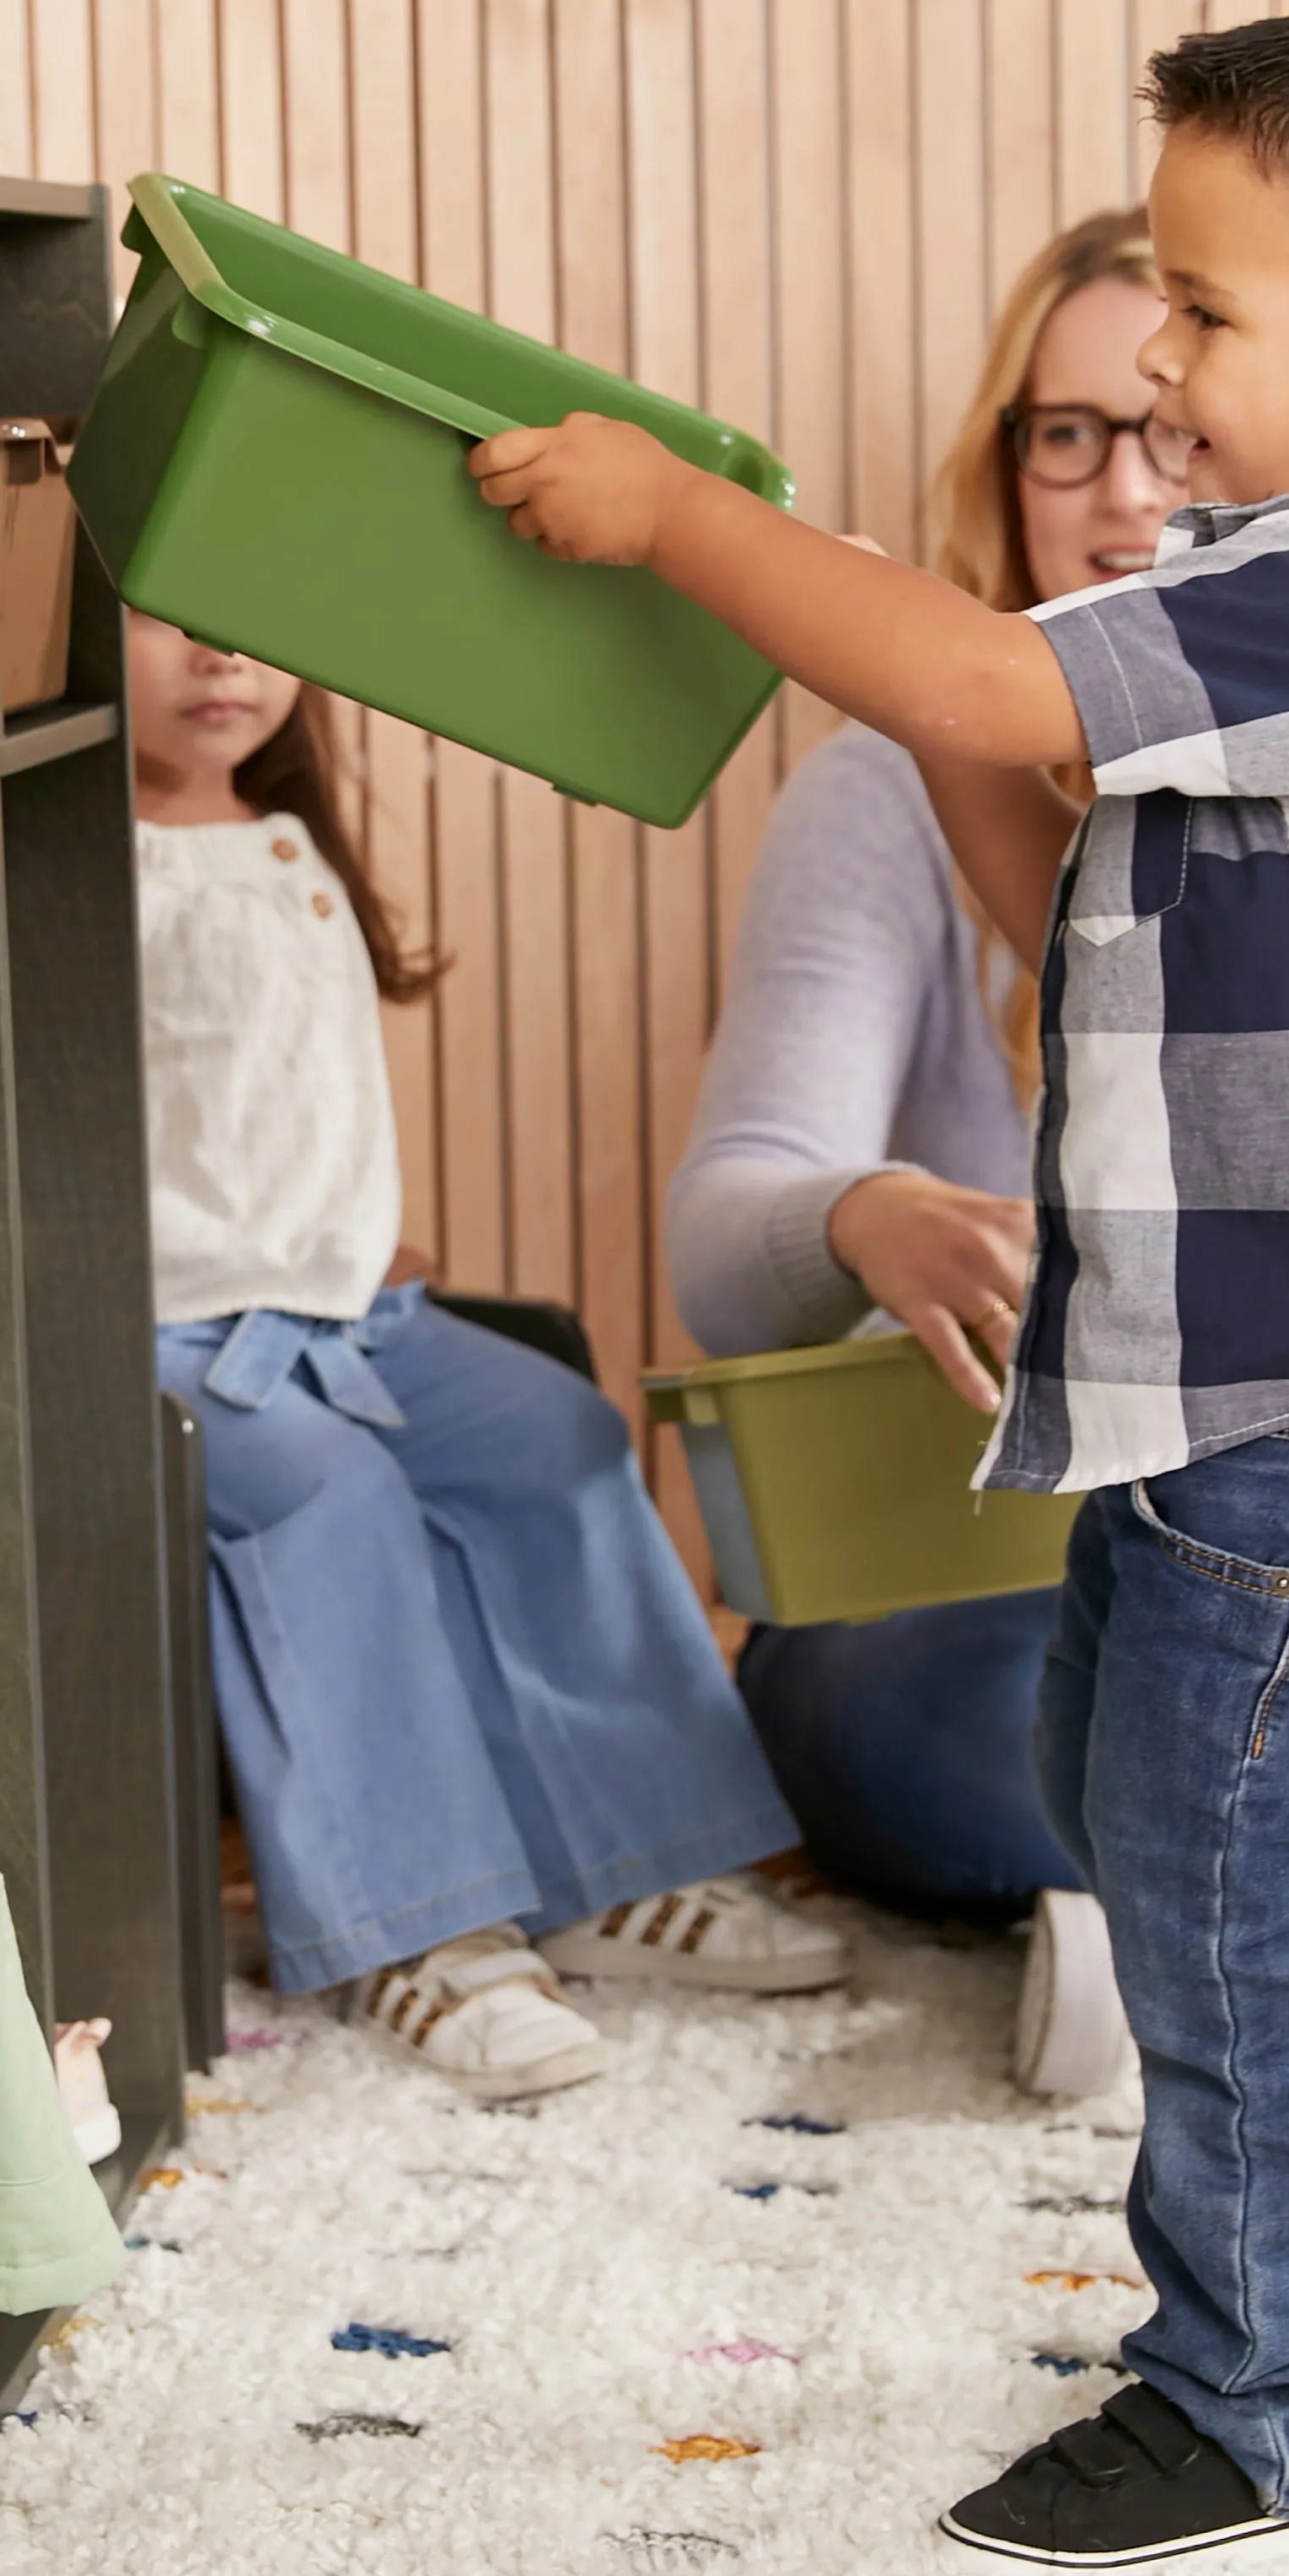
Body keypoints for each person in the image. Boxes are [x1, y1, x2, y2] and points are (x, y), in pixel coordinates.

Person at [470, 0, 1289, 2572]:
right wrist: (913, 727)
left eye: (1211, 330)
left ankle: (1269, 2406)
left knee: (1234, 1893)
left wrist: (697, 529)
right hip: (1213, 1416)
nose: (1163, 395)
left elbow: (990, 669)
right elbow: (1052, 874)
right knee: (1167, 1834)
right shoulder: (1276, 599)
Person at [672, 204, 1289, 2116]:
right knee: (942, 1710)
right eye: (1071, 430)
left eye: (1180, 405)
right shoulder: (908, 768)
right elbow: (721, 1253)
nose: (1132, 475)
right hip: (993, 1576)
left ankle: (1262, 1946)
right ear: (1008, 467)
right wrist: (857, 1214)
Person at [130, 608, 850, 2105]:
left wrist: (342, 1237)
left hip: (342, 1308)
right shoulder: (80, 867)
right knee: (324, 1493)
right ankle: (419, 1925)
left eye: (253, 622)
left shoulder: (284, 840)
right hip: (172, 1334)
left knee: (552, 1435)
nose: (222, 657)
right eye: (163, 619)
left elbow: (270, 1103)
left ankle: (626, 1865)